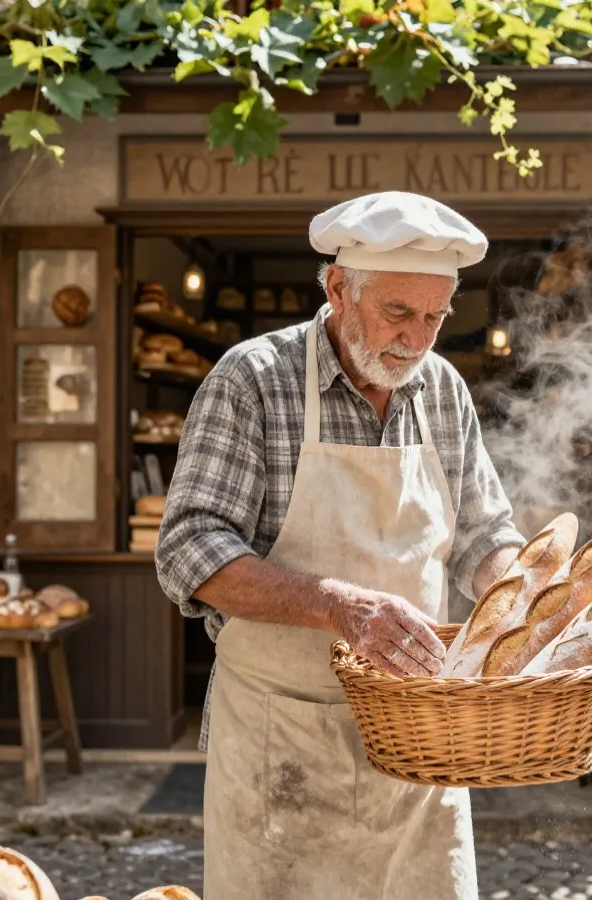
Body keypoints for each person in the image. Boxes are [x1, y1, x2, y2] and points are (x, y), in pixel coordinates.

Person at [156, 190, 527, 899]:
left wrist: (517, 596)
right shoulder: (252, 381)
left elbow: (485, 533)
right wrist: (337, 607)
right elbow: (190, 548)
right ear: (337, 289)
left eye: (434, 318)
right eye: (398, 313)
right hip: (282, 746)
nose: (417, 340)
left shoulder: (442, 390)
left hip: (420, 749)